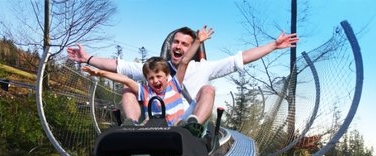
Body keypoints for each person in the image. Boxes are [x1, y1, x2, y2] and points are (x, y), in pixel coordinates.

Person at [67, 26, 298, 128]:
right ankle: (133, 126)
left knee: (208, 90)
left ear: (192, 48)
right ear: (171, 45)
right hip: (157, 116)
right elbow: (121, 67)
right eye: (176, 42)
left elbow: (241, 58)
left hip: (184, 116)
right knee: (130, 88)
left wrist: (273, 46)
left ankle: (193, 127)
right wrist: (88, 59)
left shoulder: (203, 67)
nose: (178, 46)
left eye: (184, 44)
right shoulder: (158, 70)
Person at [82, 26, 214, 136]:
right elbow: (125, 80)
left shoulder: (174, 84)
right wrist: (99, 73)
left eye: (158, 77)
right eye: (151, 78)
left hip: (178, 123)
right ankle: (132, 126)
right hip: (159, 128)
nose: (155, 81)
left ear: (167, 76)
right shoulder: (145, 91)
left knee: (206, 93)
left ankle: (191, 127)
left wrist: (198, 41)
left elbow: (184, 61)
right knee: (129, 91)